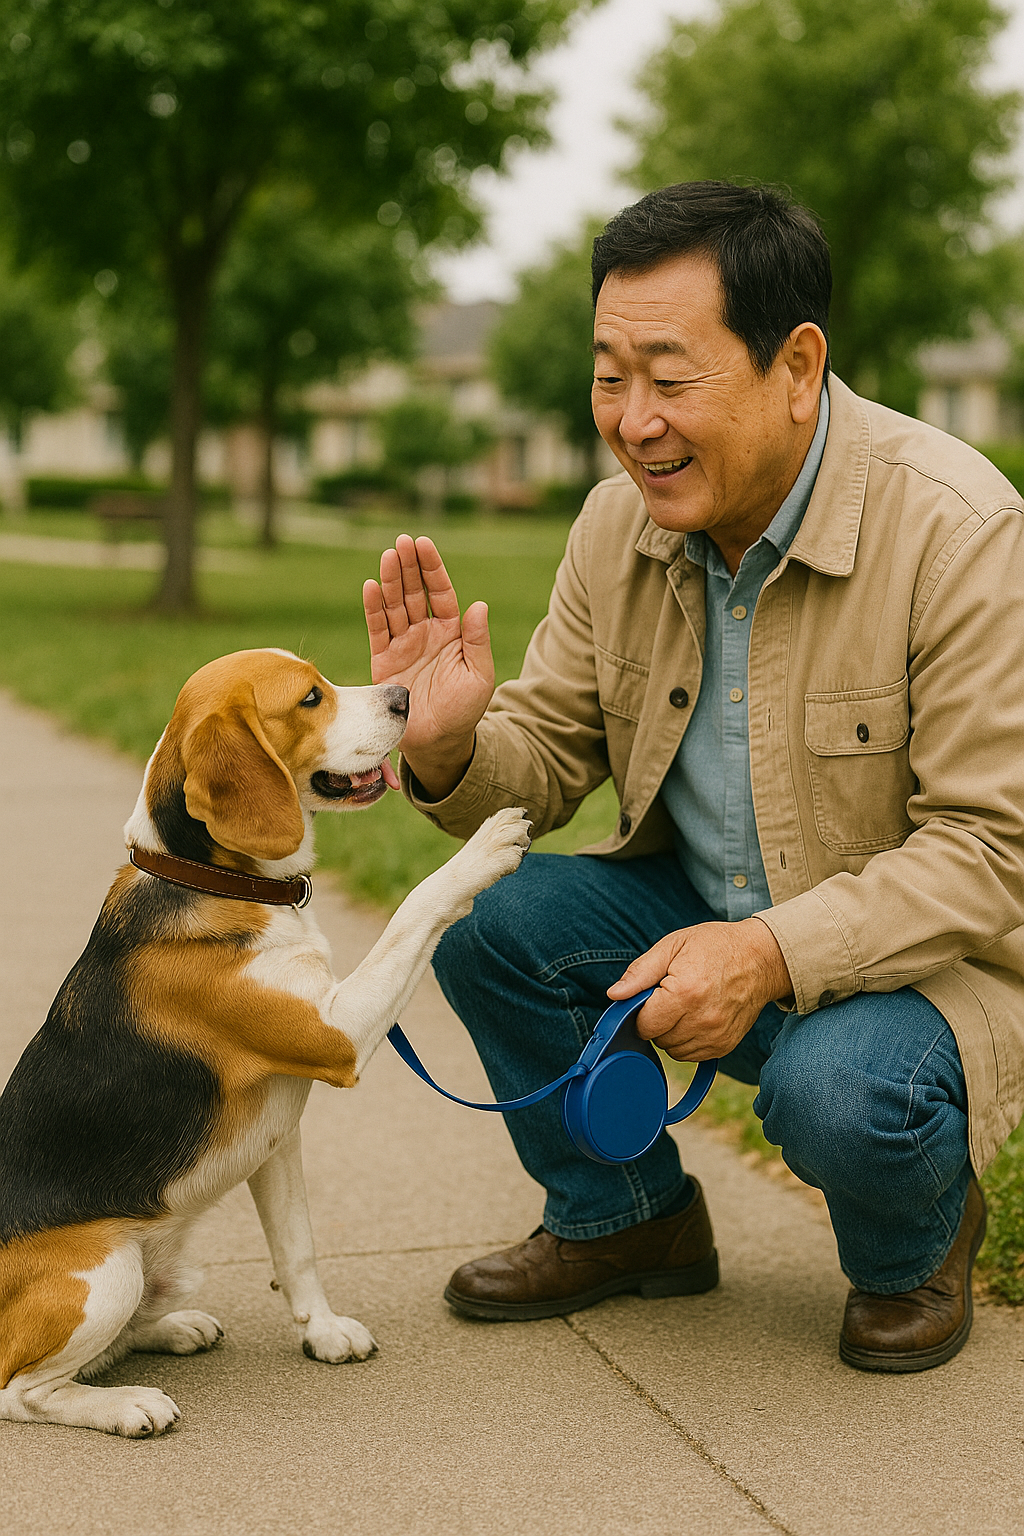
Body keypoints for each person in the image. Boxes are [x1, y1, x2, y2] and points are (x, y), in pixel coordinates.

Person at [362, 181, 1024, 1372]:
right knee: (491, 930)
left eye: (670, 378)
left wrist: (769, 953)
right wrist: (447, 739)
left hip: (921, 972)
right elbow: (549, 758)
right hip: (695, 910)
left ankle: (917, 1243)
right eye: (610, 376)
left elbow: (990, 852)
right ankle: (629, 1223)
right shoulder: (617, 526)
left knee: (840, 1093)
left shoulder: (959, 529)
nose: (633, 419)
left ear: (797, 365)